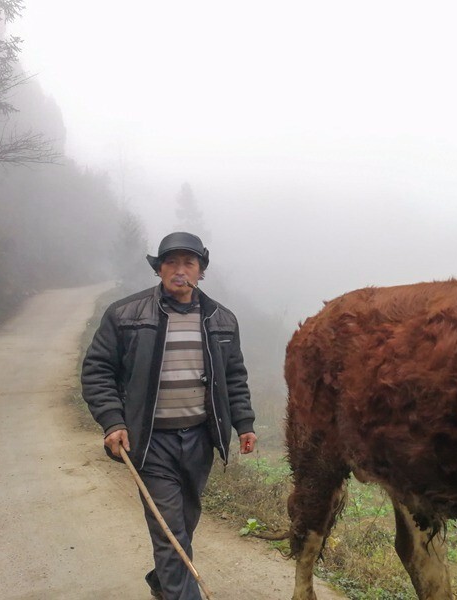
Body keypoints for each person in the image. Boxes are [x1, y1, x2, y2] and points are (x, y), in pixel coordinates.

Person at [81, 231, 257, 600]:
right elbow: (98, 370)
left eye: (188, 263)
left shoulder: (221, 319)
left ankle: (164, 581)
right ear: (159, 269)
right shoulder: (125, 315)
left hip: (199, 438)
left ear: (201, 271)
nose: (180, 270)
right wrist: (113, 422)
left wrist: (244, 424)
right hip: (150, 440)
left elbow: (235, 377)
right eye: (171, 263)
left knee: (185, 521)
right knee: (170, 530)